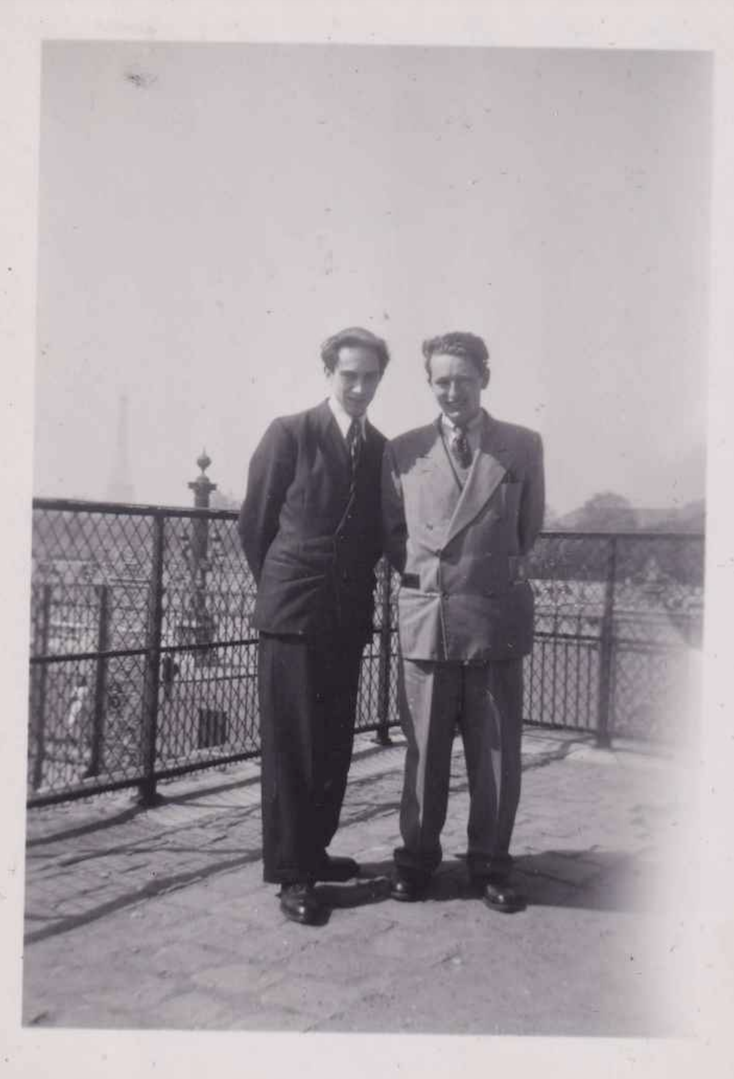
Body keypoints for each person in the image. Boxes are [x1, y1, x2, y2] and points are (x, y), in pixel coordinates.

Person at [382, 331, 544, 913]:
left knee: (495, 752)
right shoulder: (401, 451)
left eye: (464, 380)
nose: (453, 391)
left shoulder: (521, 446)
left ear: (485, 379)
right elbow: (394, 536)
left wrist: (480, 575)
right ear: (430, 384)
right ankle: (417, 860)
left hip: (492, 617)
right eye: (442, 381)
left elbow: (526, 529)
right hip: (431, 617)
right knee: (424, 752)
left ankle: (491, 864)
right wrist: (434, 580)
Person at [238, 326, 389, 925]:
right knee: (291, 747)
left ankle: (316, 851)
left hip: (347, 615)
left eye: (370, 377)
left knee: (332, 741)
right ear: (328, 372)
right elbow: (256, 526)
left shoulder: (380, 448)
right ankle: (292, 874)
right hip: (293, 614)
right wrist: (284, 587)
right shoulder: (290, 434)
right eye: (348, 375)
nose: (358, 386)